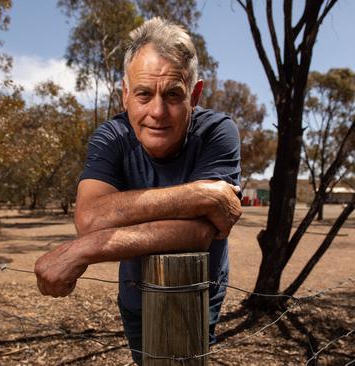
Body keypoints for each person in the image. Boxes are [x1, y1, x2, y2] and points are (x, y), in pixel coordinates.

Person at [34, 17, 242, 365]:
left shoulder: (218, 132)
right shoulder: (111, 137)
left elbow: (200, 232)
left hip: (198, 295)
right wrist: (201, 196)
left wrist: (84, 250)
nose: (157, 112)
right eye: (144, 94)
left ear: (195, 94)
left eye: (173, 95)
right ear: (125, 94)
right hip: (134, 296)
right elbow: (91, 217)